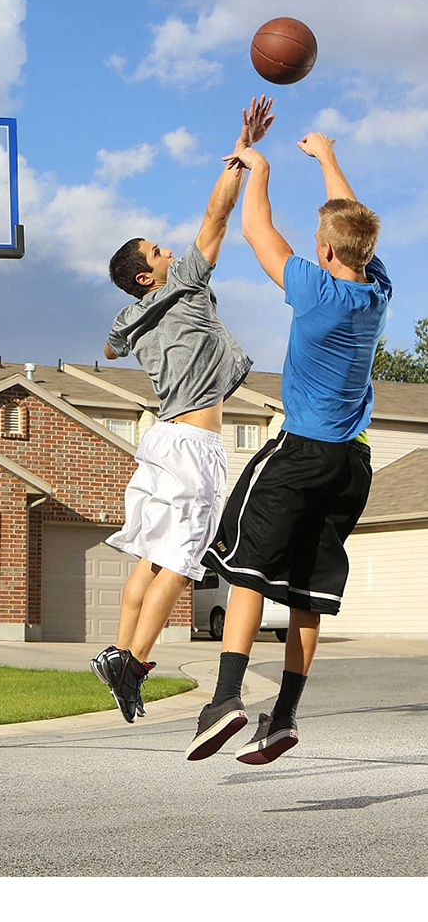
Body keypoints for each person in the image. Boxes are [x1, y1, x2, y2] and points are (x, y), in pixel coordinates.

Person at [185, 132, 390, 764]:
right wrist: (328, 159)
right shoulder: (376, 292)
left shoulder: (312, 288)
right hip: (353, 465)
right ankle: (285, 716)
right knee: (305, 594)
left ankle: (224, 699)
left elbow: (255, 229)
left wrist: (261, 167)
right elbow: (353, 226)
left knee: (244, 568)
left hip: (299, 452)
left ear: (323, 250)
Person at [91, 97, 273, 722]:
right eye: (158, 252)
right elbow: (215, 216)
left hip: (158, 442)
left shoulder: (132, 317)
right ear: (148, 276)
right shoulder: (182, 286)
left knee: (148, 554)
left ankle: (118, 651)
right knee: (181, 559)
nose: (170, 252)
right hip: (192, 445)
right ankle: (134, 661)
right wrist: (240, 154)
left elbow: (109, 345)